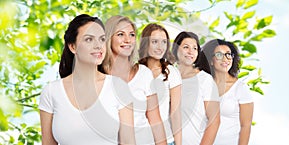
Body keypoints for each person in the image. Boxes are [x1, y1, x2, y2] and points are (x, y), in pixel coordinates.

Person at [39, 14, 135, 145]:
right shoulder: (51, 91)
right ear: (72, 46)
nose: (98, 46)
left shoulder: (118, 87)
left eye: (102, 39)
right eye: (89, 39)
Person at [104, 16, 167, 145]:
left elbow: (155, 120)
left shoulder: (144, 74)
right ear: (109, 38)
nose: (128, 40)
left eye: (132, 35)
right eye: (120, 34)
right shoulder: (99, 75)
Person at [201, 39, 254, 145]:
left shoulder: (240, 88)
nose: (225, 59)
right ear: (211, 60)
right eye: (219, 55)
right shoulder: (203, 84)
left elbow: (246, 126)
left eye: (228, 55)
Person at [172, 31, 220, 145]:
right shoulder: (167, 77)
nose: (190, 52)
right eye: (186, 47)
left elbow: (214, 121)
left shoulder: (204, 79)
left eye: (195, 48)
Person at [138, 23, 182, 145]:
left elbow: (176, 114)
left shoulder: (171, 72)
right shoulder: (135, 71)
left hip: (166, 140)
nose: (160, 47)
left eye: (163, 42)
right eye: (155, 42)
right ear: (146, 43)